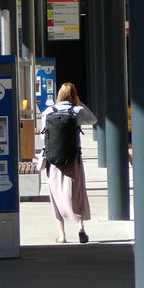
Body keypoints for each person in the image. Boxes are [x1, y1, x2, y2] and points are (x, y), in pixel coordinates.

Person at [39, 82, 96, 243]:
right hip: (74, 159)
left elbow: (44, 137)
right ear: (74, 94)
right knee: (76, 193)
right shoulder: (77, 111)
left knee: (56, 195)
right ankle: (80, 227)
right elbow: (93, 120)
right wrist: (79, 103)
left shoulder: (48, 111)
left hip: (53, 161)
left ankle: (62, 235)